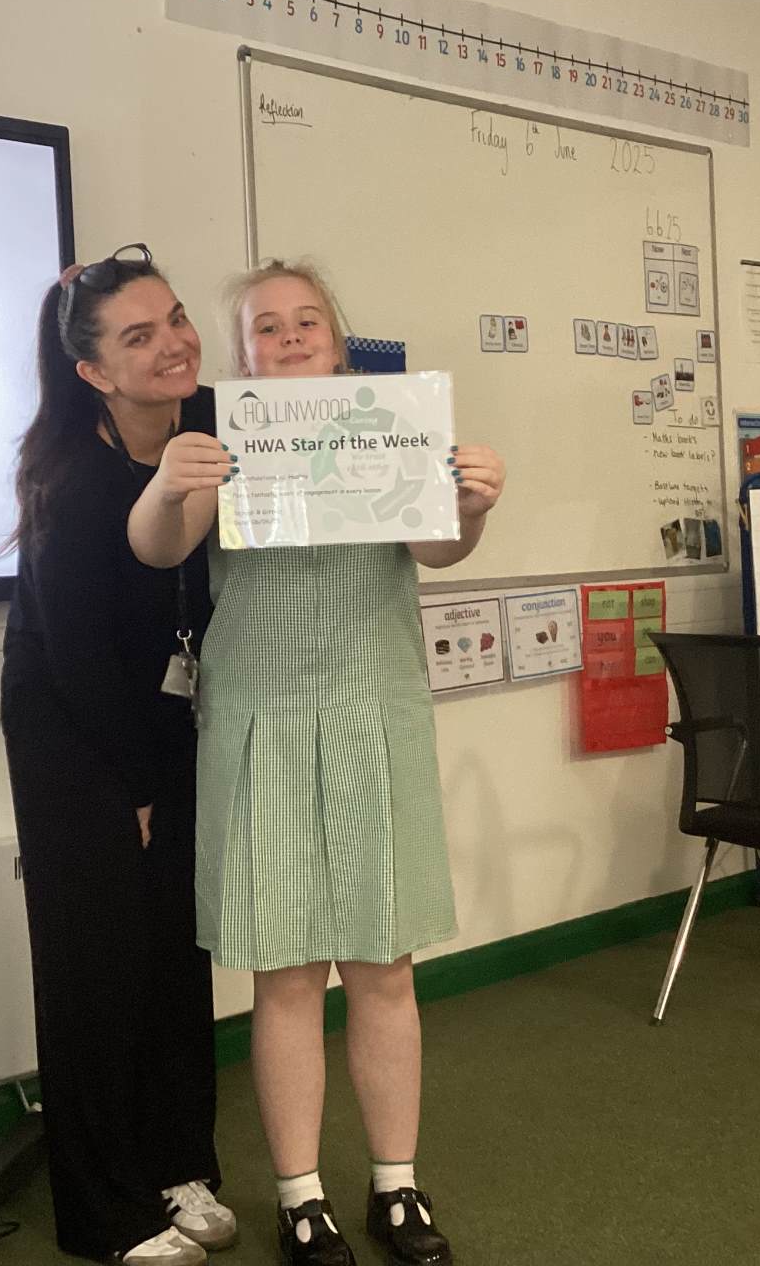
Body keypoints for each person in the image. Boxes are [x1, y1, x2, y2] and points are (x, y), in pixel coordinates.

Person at [128, 261, 506, 1266]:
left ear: (338, 343)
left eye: (308, 322)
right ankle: (300, 1196)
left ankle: (396, 1185)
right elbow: (158, 547)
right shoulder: (217, 443)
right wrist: (168, 484)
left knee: (383, 965)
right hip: (260, 722)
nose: (290, 337)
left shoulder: (391, 429)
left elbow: (438, 549)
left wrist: (472, 503)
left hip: (372, 713)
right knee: (287, 972)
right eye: (267, 327)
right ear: (242, 354)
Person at [0, 244, 235, 1266]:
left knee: (176, 950)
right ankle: (105, 1213)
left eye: (175, 317)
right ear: (93, 371)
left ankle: (179, 1163)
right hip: (75, 734)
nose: (174, 344)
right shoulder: (68, 475)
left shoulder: (213, 421)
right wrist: (133, 785)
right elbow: (76, 654)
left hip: (174, 715)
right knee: (96, 966)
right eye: (140, 337)